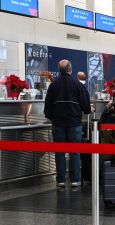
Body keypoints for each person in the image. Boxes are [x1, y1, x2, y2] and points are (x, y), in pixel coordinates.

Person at [44, 60, 91, 188]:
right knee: (74, 152)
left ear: (59, 70)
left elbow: (47, 108)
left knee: (59, 152)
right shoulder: (78, 85)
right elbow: (86, 107)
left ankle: (61, 180)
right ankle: (75, 179)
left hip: (58, 123)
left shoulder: (53, 86)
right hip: (74, 123)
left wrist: (53, 118)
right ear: (70, 69)